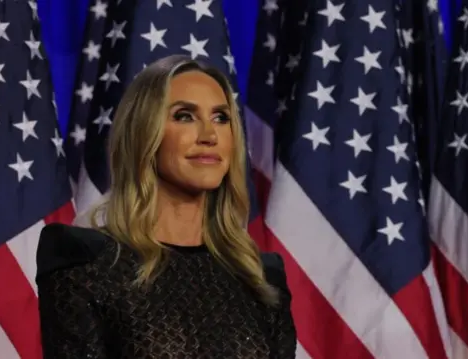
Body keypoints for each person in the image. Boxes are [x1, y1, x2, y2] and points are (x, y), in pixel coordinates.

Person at [35, 54, 296, 358]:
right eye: (184, 116)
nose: (209, 135)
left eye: (221, 118)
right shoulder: (84, 260)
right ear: (144, 134)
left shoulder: (261, 276)